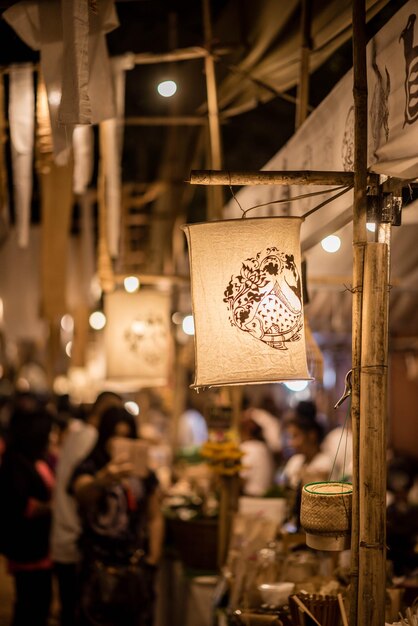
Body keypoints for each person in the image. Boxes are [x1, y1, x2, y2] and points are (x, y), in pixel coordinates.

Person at [69, 405, 164, 626]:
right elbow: (81, 493)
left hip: (134, 566)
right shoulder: (91, 466)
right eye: (114, 435)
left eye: (126, 436)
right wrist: (102, 479)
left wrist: (152, 560)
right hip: (96, 566)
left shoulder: (143, 473)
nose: (119, 442)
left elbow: (155, 516)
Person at [51, 390, 123, 626]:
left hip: (64, 533)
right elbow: (82, 489)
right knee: (77, 611)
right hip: (74, 537)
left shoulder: (77, 433)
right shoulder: (89, 437)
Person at [0, 397, 55, 626]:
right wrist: (52, 507)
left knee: (37, 601)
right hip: (27, 544)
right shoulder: (16, 462)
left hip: (38, 543)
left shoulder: (33, 459)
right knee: (30, 603)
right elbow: (19, 504)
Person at [280, 401, 333, 529]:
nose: (291, 443)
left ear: (312, 435)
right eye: (290, 437)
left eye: (296, 436)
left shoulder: (325, 463)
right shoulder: (295, 461)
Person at [239, 415, 275, 496]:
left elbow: (242, 479)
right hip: (266, 496)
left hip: (251, 497)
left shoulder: (248, 447)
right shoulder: (264, 447)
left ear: (246, 431)